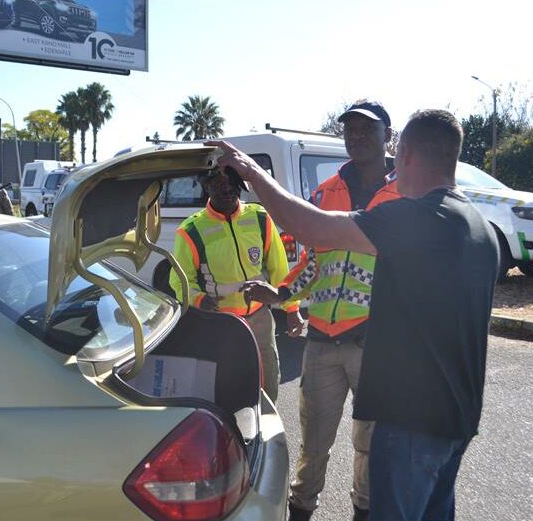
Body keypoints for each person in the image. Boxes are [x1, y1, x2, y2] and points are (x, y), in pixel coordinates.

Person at [209, 108, 499, 521]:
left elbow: (311, 228)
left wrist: (252, 171)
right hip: (457, 418)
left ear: (407, 154)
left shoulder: (419, 218)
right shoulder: (479, 227)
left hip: (412, 419)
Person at [242, 100, 400, 521]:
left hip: (378, 343)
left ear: (389, 133)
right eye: (349, 129)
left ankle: (364, 511)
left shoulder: (407, 194)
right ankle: (302, 509)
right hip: (323, 341)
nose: (356, 136)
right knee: (313, 443)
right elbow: (312, 260)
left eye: (367, 128)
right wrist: (281, 294)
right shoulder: (325, 191)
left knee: (370, 443)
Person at [168, 168, 304, 403]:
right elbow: (179, 280)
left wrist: (292, 310)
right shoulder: (191, 231)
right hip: (221, 323)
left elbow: (280, 270)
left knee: (269, 378)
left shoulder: (260, 218)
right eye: (218, 183)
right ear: (206, 187)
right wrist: (198, 299)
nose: (226, 188)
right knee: (226, 384)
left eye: (231, 182)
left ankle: (266, 428)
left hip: (260, 318)